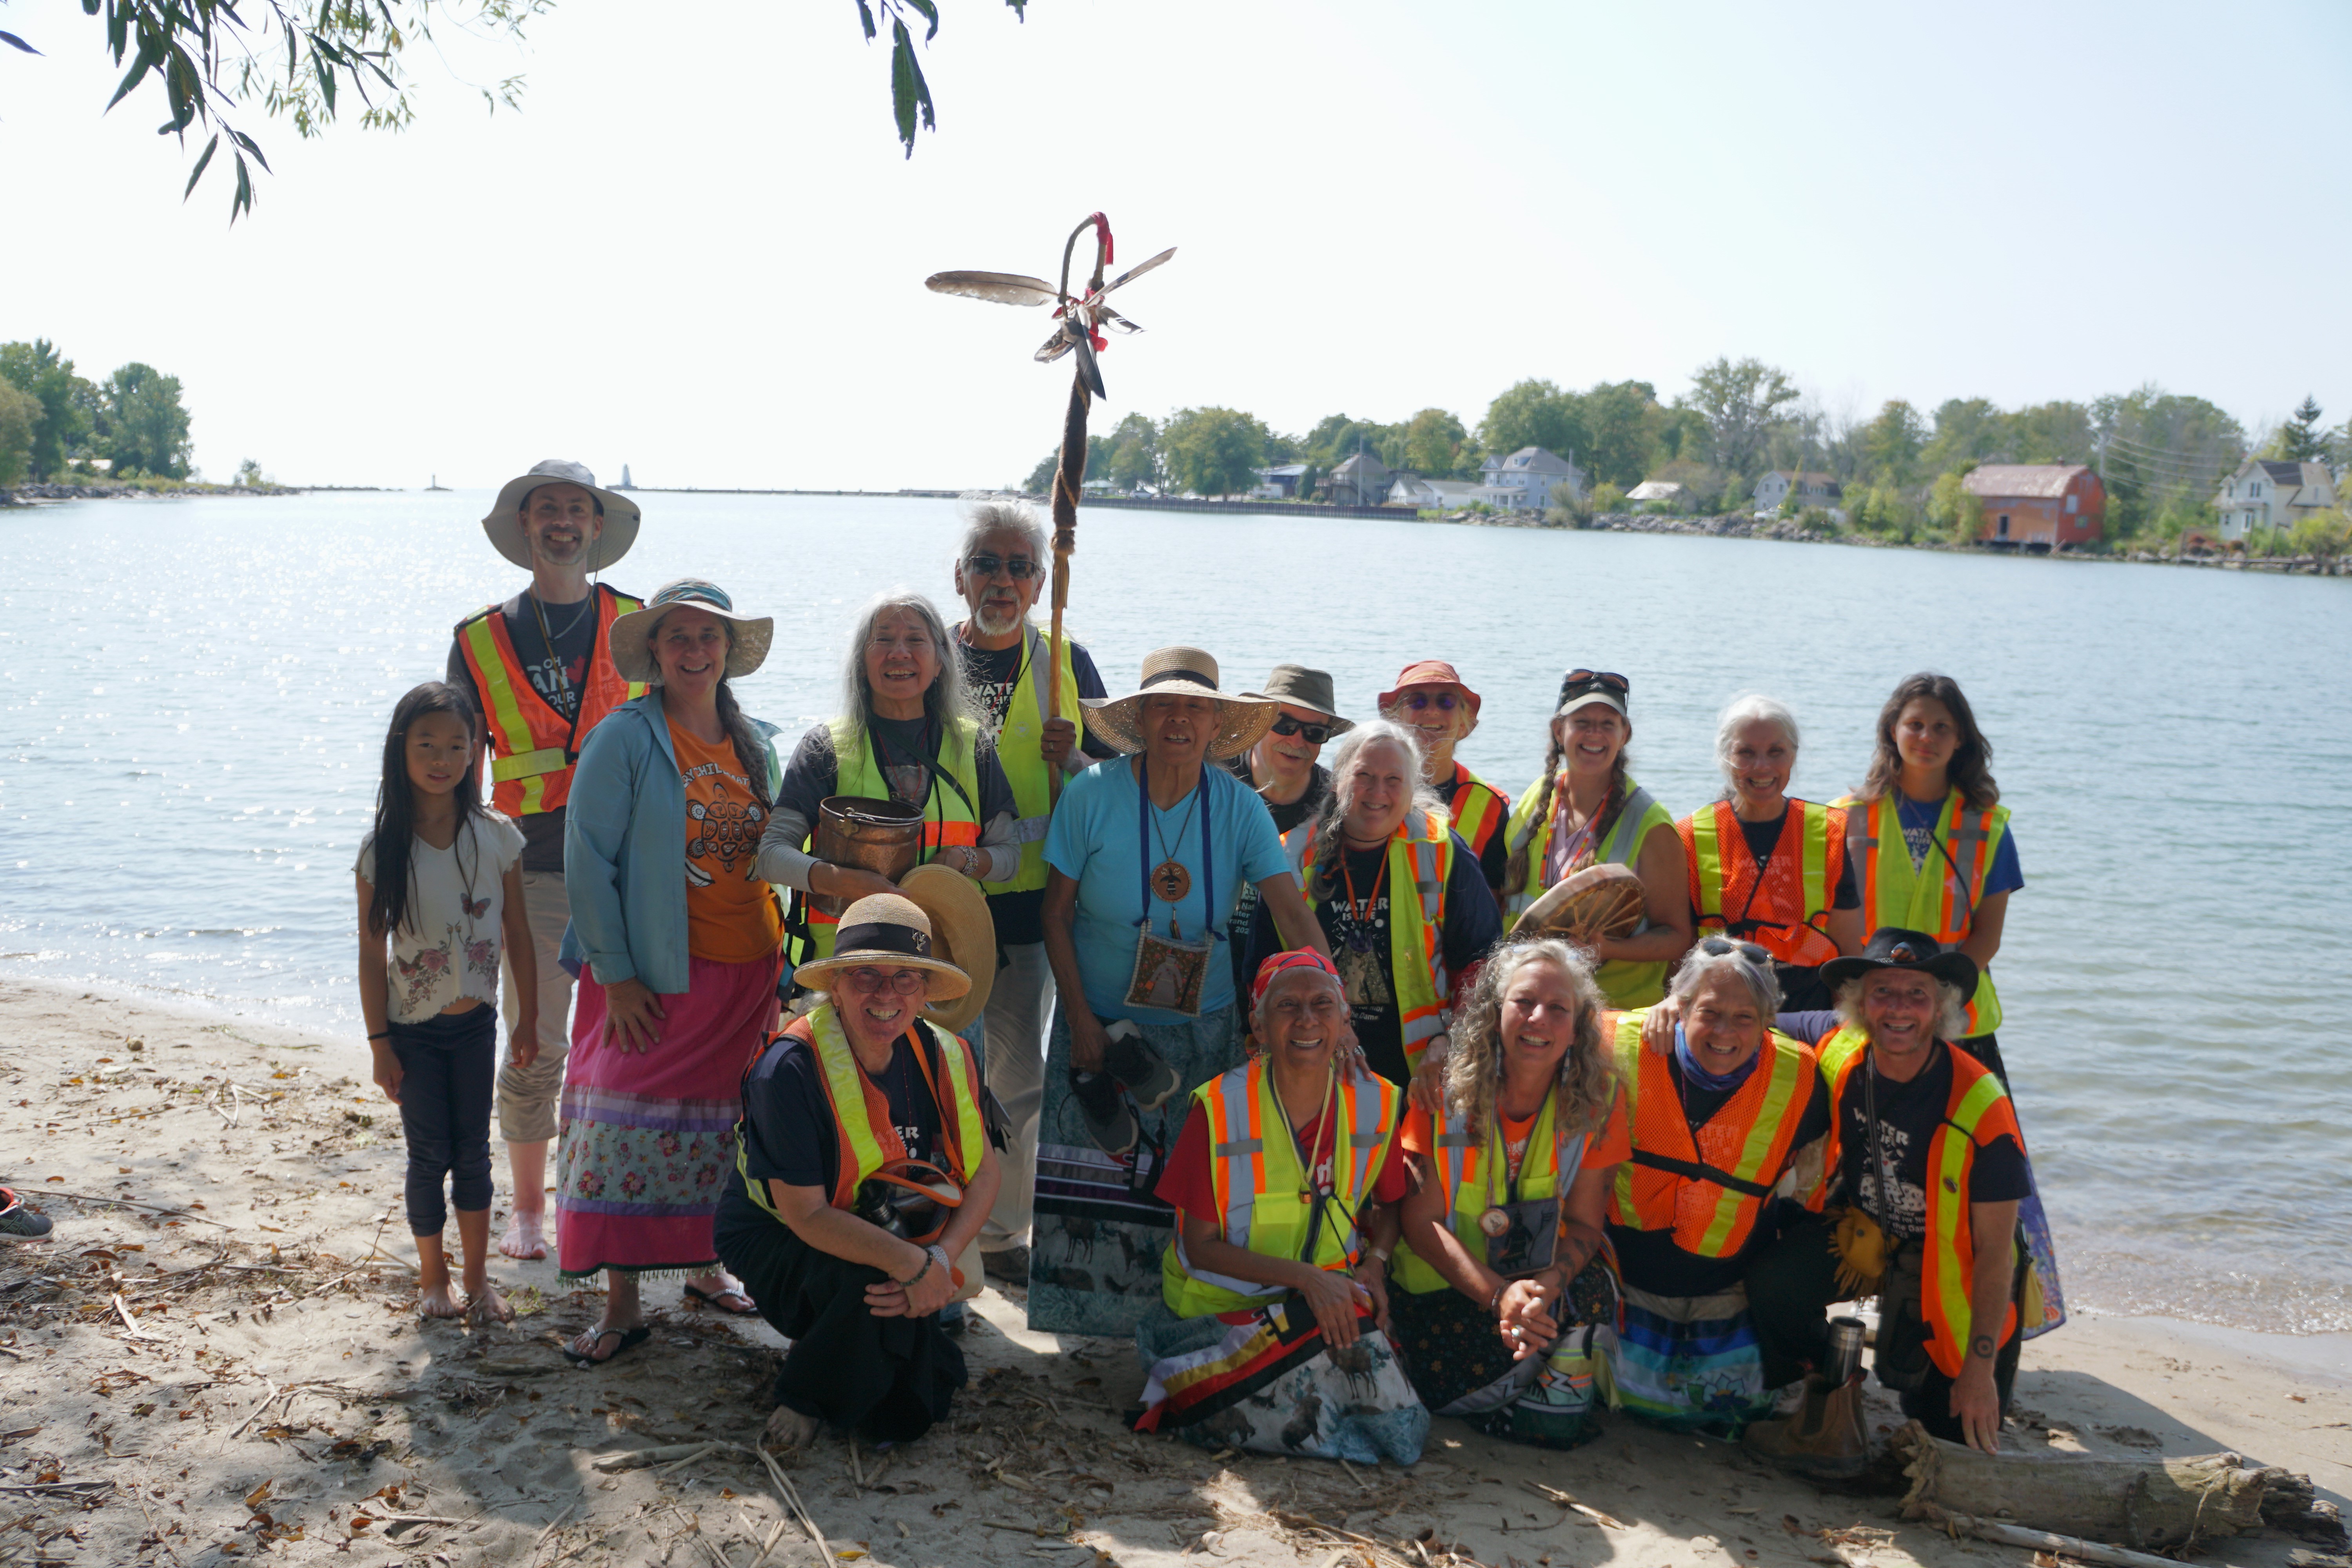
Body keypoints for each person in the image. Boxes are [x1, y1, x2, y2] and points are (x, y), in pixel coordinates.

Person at [1030, 646, 1331, 1336]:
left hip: (1204, 1025)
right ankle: (1089, 1326)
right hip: (1099, 1020)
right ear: (1138, 718)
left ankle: (1173, 1319)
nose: (1179, 719)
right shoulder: (1093, 794)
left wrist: (1327, 997)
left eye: (1196, 707)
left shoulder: (1240, 809)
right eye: (1164, 705)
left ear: (1216, 725)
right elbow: (1055, 915)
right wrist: (1077, 1016)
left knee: (1187, 1186)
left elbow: (1291, 913)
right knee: (1095, 1183)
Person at [557, 579, 785, 1362]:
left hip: (748, 970)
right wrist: (616, 975)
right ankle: (622, 1304)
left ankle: (705, 1267)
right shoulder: (623, 736)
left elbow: (773, 856)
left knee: (720, 1128)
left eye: (709, 637)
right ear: (653, 650)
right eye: (678, 637)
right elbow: (586, 860)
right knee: (624, 1127)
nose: (695, 651)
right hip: (652, 973)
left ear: (729, 650)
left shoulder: (755, 738)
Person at [716, 889, 1001, 1450]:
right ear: (836, 988)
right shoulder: (787, 1070)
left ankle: (834, 1353)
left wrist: (940, 1258)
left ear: (924, 991)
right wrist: (917, 1269)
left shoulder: (951, 1053)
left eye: (905, 979)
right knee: (876, 1289)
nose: (887, 995)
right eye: (866, 976)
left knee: (899, 1307)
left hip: (901, 1224)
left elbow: (986, 1173)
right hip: (780, 1232)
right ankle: (805, 1395)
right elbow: (808, 1215)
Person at [446, 459, 644, 1262]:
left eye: (577, 509)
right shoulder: (479, 639)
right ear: (525, 526)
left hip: (634, 874)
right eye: (548, 509)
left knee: (637, 1051)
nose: (563, 521)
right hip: (529, 874)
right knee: (535, 1045)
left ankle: (609, 1201)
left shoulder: (640, 621)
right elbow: (451, 767)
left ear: (598, 528)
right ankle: (529, 1211)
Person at [1743, 930, 2030, 1461]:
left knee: (1948, 1439)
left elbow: (1997, 1254)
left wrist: (1980, 1369)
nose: (1899, 1009)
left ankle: (1941, 1379)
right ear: (1857, 1003)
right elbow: (1744, 1015)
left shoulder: (1983, 1104)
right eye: (1882, 992)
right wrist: (1677, 1005)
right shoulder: (1838, 1044)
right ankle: (1826, 1384)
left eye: (1917, 994)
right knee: (1772, 1282)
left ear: (1942, 1007)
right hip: (1863, 1236)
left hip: (1958, 1265)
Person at [1132, 952, 1426, 1462]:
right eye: (1287, 1006)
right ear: (1259, 1027)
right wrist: (1309, 1279)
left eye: (1322, 1005)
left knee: (1393, 1412)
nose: (1307, 1020)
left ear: (1344, 1019)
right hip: (1218, 1318)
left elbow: (1392, 1205)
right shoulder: (1220, 1108)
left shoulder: (1375, 1101)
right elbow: (1200, 1249)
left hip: (1320, 1306)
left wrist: (1376, 1264)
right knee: (1364, 1398)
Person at [943, 503, 1116, 1287]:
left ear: (1043, 582)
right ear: (961, 575)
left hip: (1028, 908)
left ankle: (1005, 1229)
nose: (1003, 580)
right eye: (988, 562)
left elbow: (1120, 790)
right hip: (937, 900)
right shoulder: (921, 653)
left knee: (1014, 1073)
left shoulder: (1069, 665)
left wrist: (1077, 753)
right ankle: (931, 1216)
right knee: (932, 1068)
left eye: (1019, 567)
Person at [1386, 938, 1628, 1449]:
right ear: (1497, 1012)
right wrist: (1499, 1296)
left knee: (1590, 1293)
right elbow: (1419, 1221)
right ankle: (1523, 1398)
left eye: (1558, 1008)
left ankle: (1530, 1404)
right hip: (1444, 1298)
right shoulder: (1443, 1087)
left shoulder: (1600, 1098)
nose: (1538, 1019)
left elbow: (1586, 1225)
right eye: (1523, 1003)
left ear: (1580, 1026)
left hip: (1528, 1290)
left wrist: (1543, 1289)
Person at [354, 682, 535, 1324]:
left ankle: (480, 1279)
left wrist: (528, 1019)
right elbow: (372, 956)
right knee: (429, 1157)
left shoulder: (498, 836)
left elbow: (517, 934)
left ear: (477, 751)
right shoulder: (384, 850)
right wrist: (379, 1045)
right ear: (400, 751)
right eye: (427, 744)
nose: (442, 758)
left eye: (457, 745)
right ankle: (434, 1277)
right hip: (413, 1032)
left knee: (474, 1154)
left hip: (478, 1025)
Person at [1604, 940, 1829, 1433]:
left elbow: (1861, 1027)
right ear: (1680, 1007)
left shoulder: (1803, 1074)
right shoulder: (1617, 1044)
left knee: (1735, 1416)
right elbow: (1536, 1012)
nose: (1725, 1032)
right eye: (1709, 1012)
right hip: (1627, 1281)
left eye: (1745, 1017)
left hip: (1725, 1286)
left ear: (1769, 1019)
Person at [758, 592, 1020, 967]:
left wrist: (963, 861)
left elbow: (1009, 859)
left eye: (916, 640)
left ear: (941, 662)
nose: (900, 653)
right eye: (883, 640)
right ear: (862, 663)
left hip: (948, 963)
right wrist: (840, 881)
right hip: (848, 969)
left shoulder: (973, 745)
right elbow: (771, 857)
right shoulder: (826, 746)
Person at [1248, 720, 1502, 1097]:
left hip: (1422, 1070)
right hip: (1313, 1063)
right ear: (1338, 781)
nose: (1378, 792)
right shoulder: (1291, 854)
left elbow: (1483, 963)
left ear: (1412, 789)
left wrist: (1454, 1039)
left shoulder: (1442, 851)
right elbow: (1258, 968)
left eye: (1393, 780)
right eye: (1364, 775)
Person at [1833, 674, 2022, 1083]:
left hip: (1958, 1019)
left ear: (1961, 741)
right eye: (1915, 724)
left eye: (1942, 728)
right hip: (1870, 1014)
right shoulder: (1843, 819)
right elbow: (1828, 924)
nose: (1926, 737)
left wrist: (1934, 1004)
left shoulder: (1989, 827)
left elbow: (1988, 936)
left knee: (1976, 1143)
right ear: (1892, 730)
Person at [1500, 670, 1691, 1007]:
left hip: (1611, 1012)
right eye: (1582, 722)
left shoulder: (1650, 825)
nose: (1595, 734)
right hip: (1534, 1001)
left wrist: (1607, 949)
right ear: (1560, 730)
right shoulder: (1538, 796)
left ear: (1625, 734)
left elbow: (1677, 938)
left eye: (1608, 724)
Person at [1677, 696, 1862, 1013]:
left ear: (1793, 756)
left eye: (1776, 752)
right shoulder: (1690, 836)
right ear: (1726, 757)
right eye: (1746, 753)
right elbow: (1678, 949)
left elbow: (1849, 950)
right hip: (1722, 1016)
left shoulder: (1830, 831)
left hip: (1809, 1013)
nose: (1762, 767)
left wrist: (1845, 1028)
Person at [1224, 664, 1347, 999]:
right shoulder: (1213, 778)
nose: (1296, 740)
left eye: (1314, 733)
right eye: (1284, 724)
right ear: (1261, 721)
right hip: (1210, 972)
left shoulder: (1337, 807)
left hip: (1289, 982)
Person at [1377, 661, 1511, 898]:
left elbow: (1494, 901)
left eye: (1446, 702)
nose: (1432, 711)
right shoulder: (1367, 790)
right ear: (1394, 719)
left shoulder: (1491, 805)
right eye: (1417, 701)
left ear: (1464, 725)